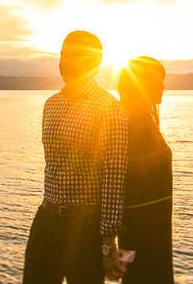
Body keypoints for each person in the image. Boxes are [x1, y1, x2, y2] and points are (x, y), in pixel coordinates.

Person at [23, 31, 129, 283]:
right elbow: (53, 165)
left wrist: (108, 243)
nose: (66, 61)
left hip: (85, 226)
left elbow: (114, 175)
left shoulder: (108, 107)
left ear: (94, 62)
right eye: (63, 53)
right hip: (46, 219)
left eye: (74, 55)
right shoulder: (51, 104)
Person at [117, 56, 174, 284]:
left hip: (156, 235)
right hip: (138, 237)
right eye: (157, 81)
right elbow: (116, 183)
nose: (162, 87)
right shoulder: (129, 121)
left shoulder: (147, 118)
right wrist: (111, 250)